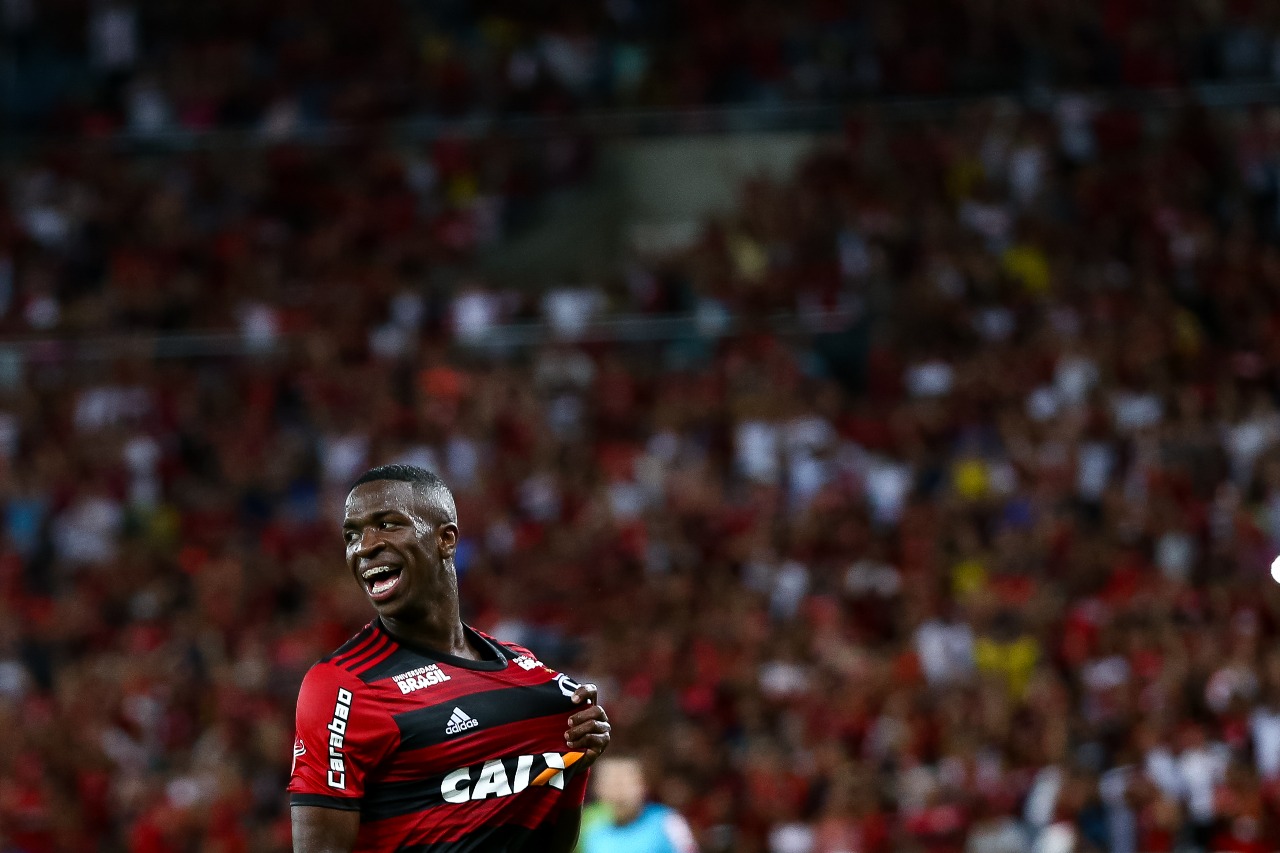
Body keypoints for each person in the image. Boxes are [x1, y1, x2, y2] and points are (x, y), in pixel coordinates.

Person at [289, 464, 612, 852]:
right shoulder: (344, 685)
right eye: (352, 535)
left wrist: (576, 758)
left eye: (388, 524)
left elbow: (549, 842)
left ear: (445, 539)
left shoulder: (529, 678)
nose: (365, 545)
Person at [579, 756, 698, 853]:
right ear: (597, 789)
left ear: (643, 785)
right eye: (611, 783)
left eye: (625, 782)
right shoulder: (592, 833)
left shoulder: (668, 823)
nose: (618, 792)